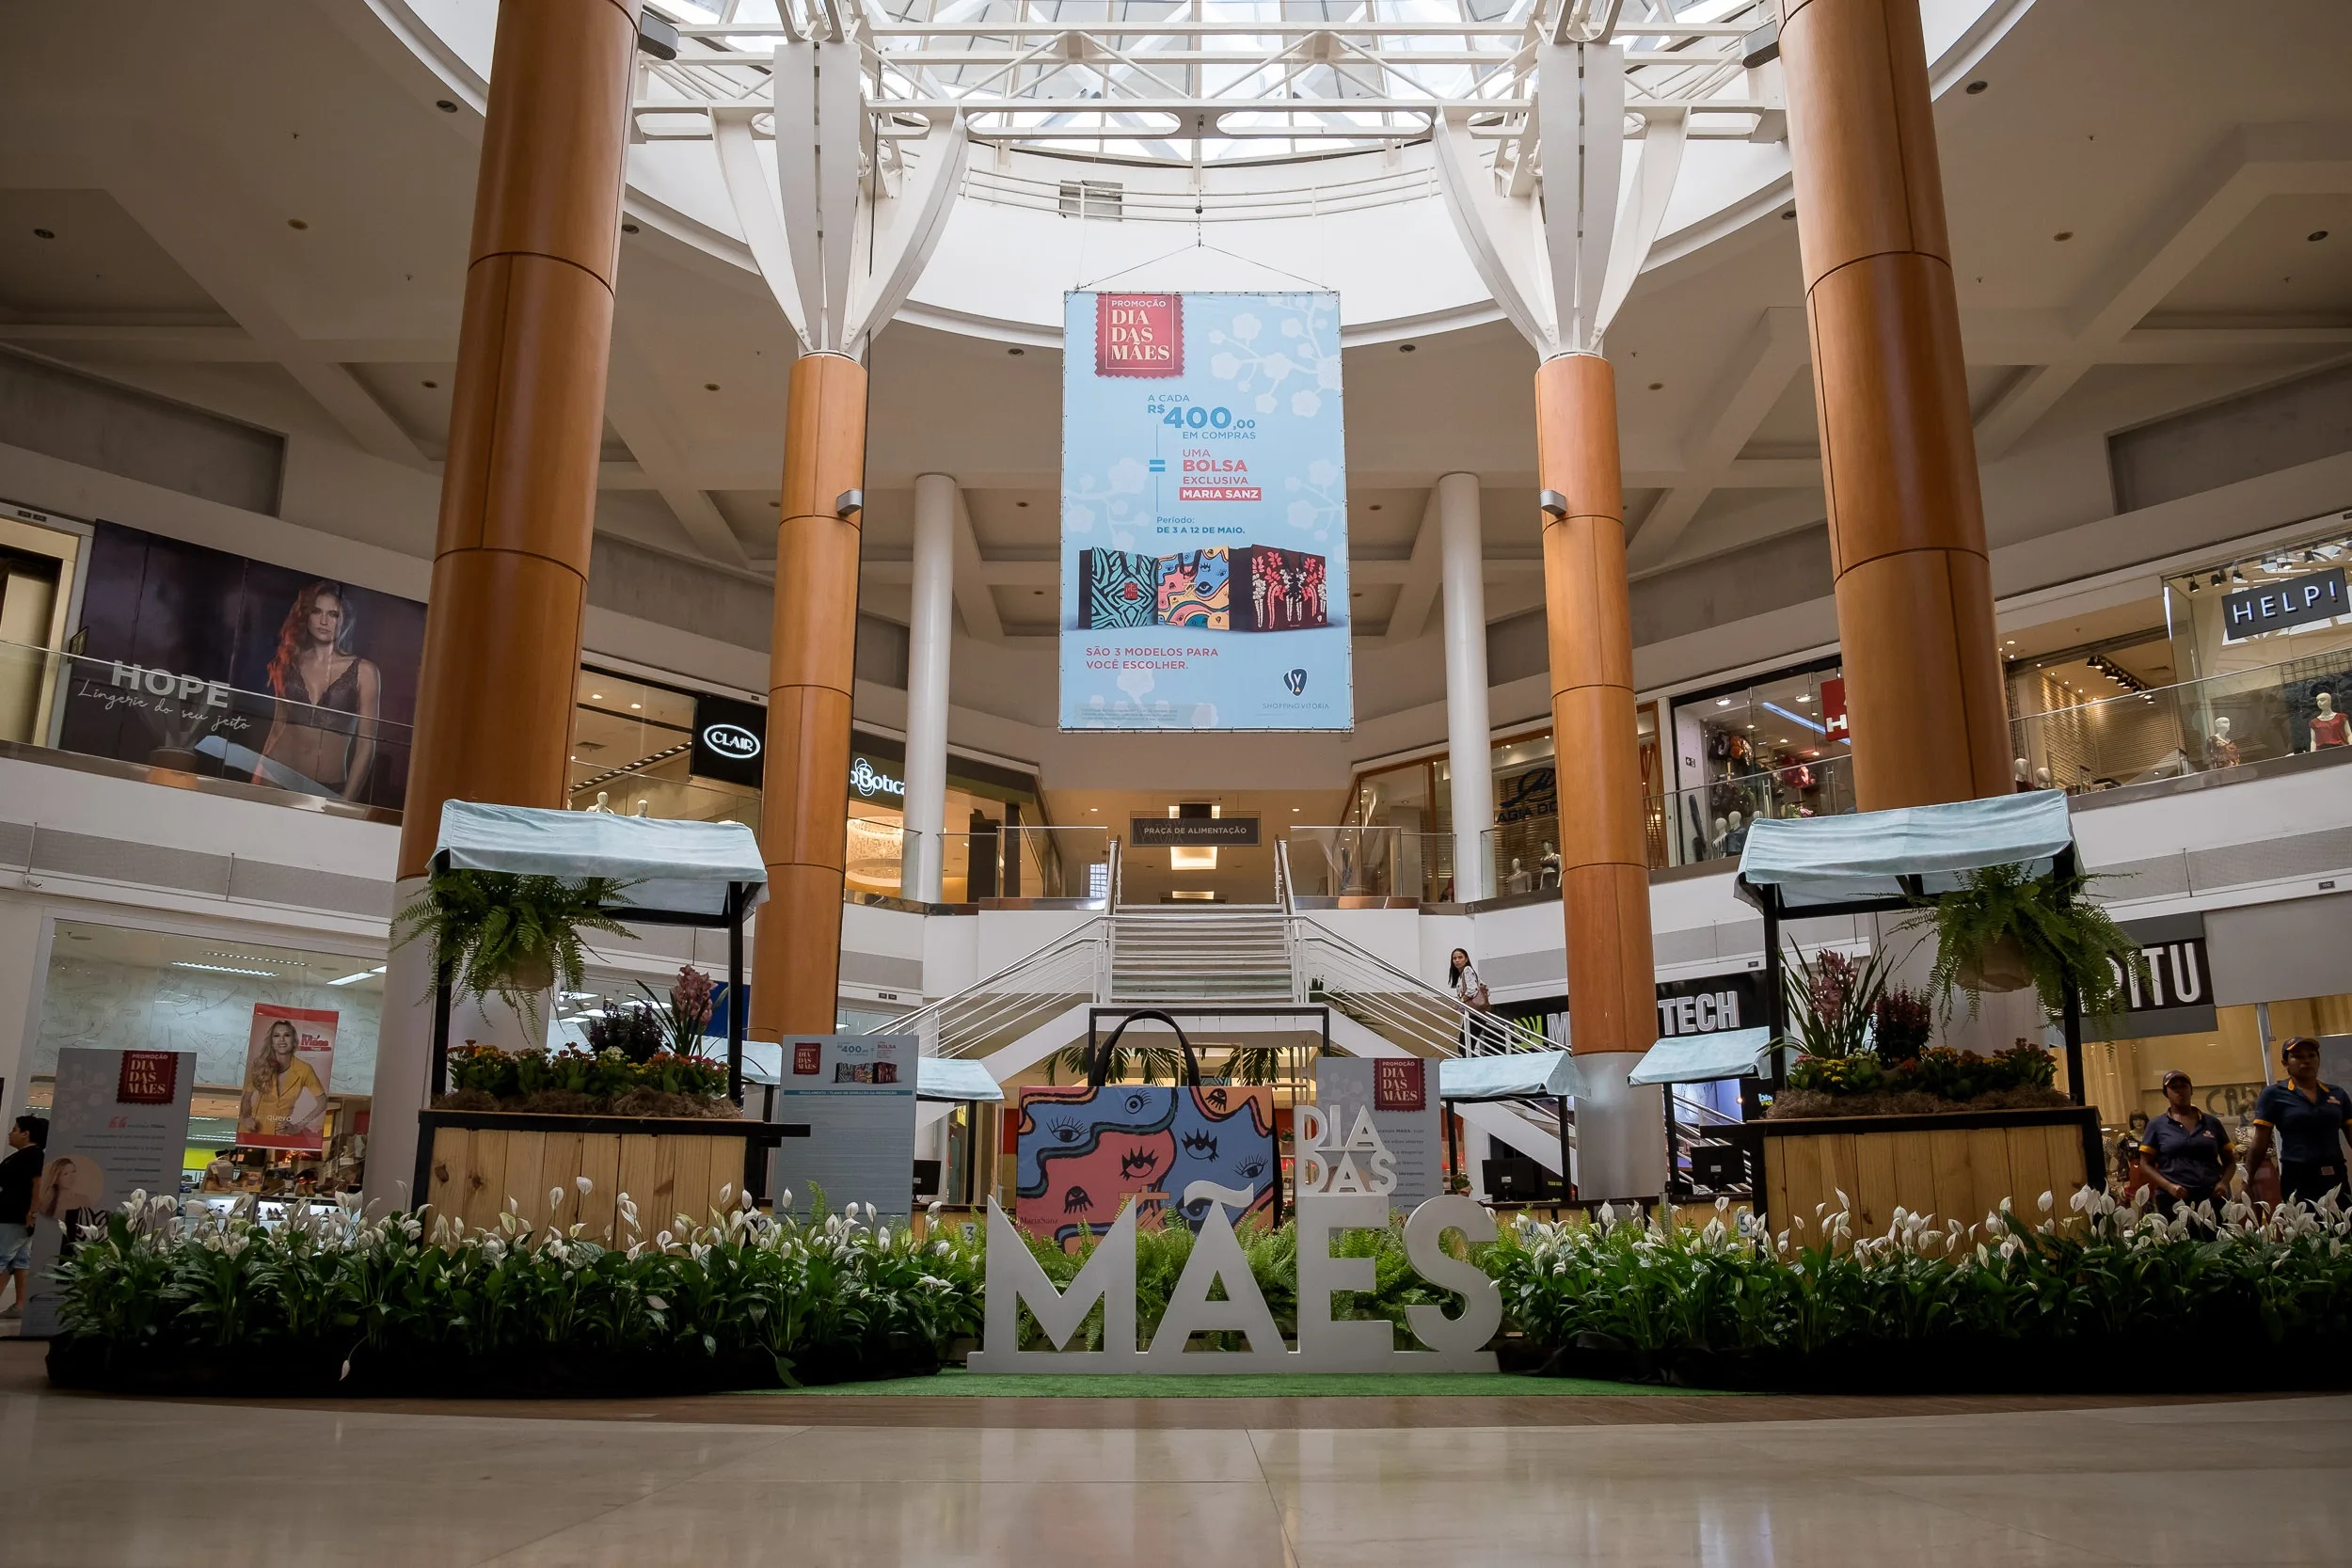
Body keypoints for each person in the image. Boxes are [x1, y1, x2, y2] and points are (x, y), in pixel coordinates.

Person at [254, 579, 382, 801]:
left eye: (333, 614)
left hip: (328, 788)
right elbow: (277, 728)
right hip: (275, 777)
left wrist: (347, 801)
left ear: (345, 621)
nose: (324, 621)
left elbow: (366, 746)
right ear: (306, 616)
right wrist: (256, 781)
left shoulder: (365, 671)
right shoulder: (288, 663)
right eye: (316, 611)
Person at [2245, 1036, 2352, 1205]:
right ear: (2285, 1063)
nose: (2307, 1061)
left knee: (2343, 1229)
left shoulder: (2337, 1093)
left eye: (2311, 1055)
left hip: (2336, 1176)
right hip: (2298, 1178)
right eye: (2298, 1056)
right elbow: (2260, 1142)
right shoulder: (2274, 1094)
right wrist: (2247, 1180)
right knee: (2304, 1230)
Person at [2137, 1069, 2236, 1214]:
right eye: (2174, 1087)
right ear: (2166, 1093)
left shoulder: (2212, 1123)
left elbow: (2230, 1162)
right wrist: (2169, 1186)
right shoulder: (2156, 1125)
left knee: (2217, 1237)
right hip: (2173, 1199)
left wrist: (2224, 1183)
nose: (2179, 1091)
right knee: (2181, 1237)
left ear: (2191, 1090)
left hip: (2212, 1196)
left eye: (2183, 1086)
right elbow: (2145, 1164)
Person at [242, 1018, 327, 1140]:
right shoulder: (260, 1065)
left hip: (281, 1135)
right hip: (252, 1132)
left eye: (286, 1035)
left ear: (294, 1040)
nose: (281, 1040)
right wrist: (245, 1118)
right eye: (276, 1036)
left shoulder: (305, 1069)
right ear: (271, 1042)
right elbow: (246, 1099)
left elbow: (322, 1102)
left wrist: (298, 1127)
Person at [0, 1115, 46, 1318]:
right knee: (20, 1260)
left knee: (2, 1258)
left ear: (26, 1134)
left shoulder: (34, 1156)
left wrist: (33, 1213)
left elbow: (38, 1184)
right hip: (12, 1213)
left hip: (16, 1215)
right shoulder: (21, 1156)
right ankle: (20, 1305)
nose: (10, 1133)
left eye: (15, 1129)